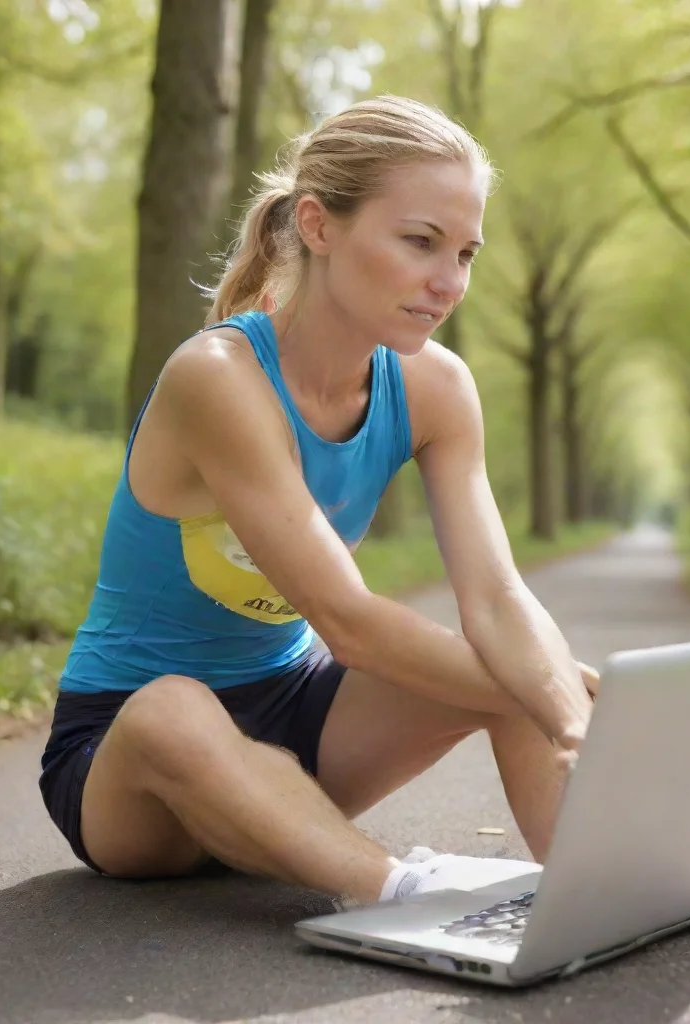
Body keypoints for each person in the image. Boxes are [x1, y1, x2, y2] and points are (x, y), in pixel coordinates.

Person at [39, 95, 599, 907]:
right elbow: (350, 623)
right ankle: (400, 896)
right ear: (319, 225)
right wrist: (552, 698)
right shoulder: (218, 378)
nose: (448, 283)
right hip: (129, 763)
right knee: (174, 710)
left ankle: (600, 888)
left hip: (300, 724)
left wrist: (564, 707)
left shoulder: (437, 388)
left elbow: (499, 594)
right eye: (420, 242)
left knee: (515, 670)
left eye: (467, 253)